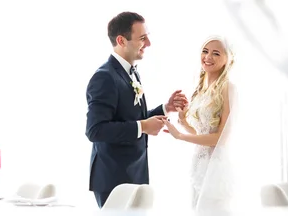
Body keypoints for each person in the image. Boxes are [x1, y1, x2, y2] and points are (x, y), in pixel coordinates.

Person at [85, 11, 188, 208]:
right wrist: (142, 126)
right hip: (114, 179)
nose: (148, 43)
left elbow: (129, 119)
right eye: (142, 38)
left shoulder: (131, 72)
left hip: (134, 174)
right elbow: (95, 130)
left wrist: (165, 109)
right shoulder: (104, 77)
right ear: (121, 40)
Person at [162, 35, 237, 210]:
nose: (208, 57)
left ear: (227, 59)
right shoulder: (202, 88)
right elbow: (202, 134)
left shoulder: (228, 88)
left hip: (216, 167)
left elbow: (219, 139)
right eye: (205, 51)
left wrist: (180, 136)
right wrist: (183, 121)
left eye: (216, 53)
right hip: (199, 164)